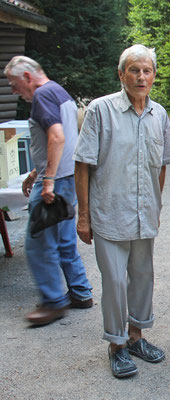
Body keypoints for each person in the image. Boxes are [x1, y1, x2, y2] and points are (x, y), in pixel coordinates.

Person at [74, 44, 170, 378]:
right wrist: (83, 215)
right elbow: (83, 163)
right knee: (115, 282)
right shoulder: (100, 111)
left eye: (147, 70)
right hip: (108, 212)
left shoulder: (158, 114)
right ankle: (116, 345)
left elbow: (161, 164)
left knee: (143, 278)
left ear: (154, 76)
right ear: (121, 74)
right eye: (134, 70)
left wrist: (156, 203)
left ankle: (136, 338)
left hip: (144, 213)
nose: (141, 76)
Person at [4, 56, 93, 326]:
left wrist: (47, 180)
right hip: (68, 178)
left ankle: (54, 302)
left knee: (38, 245)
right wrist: (37, 171)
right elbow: (60, 138)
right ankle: (80, 292)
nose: (13, 90)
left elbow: (57, 136)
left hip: (56, 182)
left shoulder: (42, 95)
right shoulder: (58, 91)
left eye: (14, 83)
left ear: (28, 77)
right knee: (64, 241)